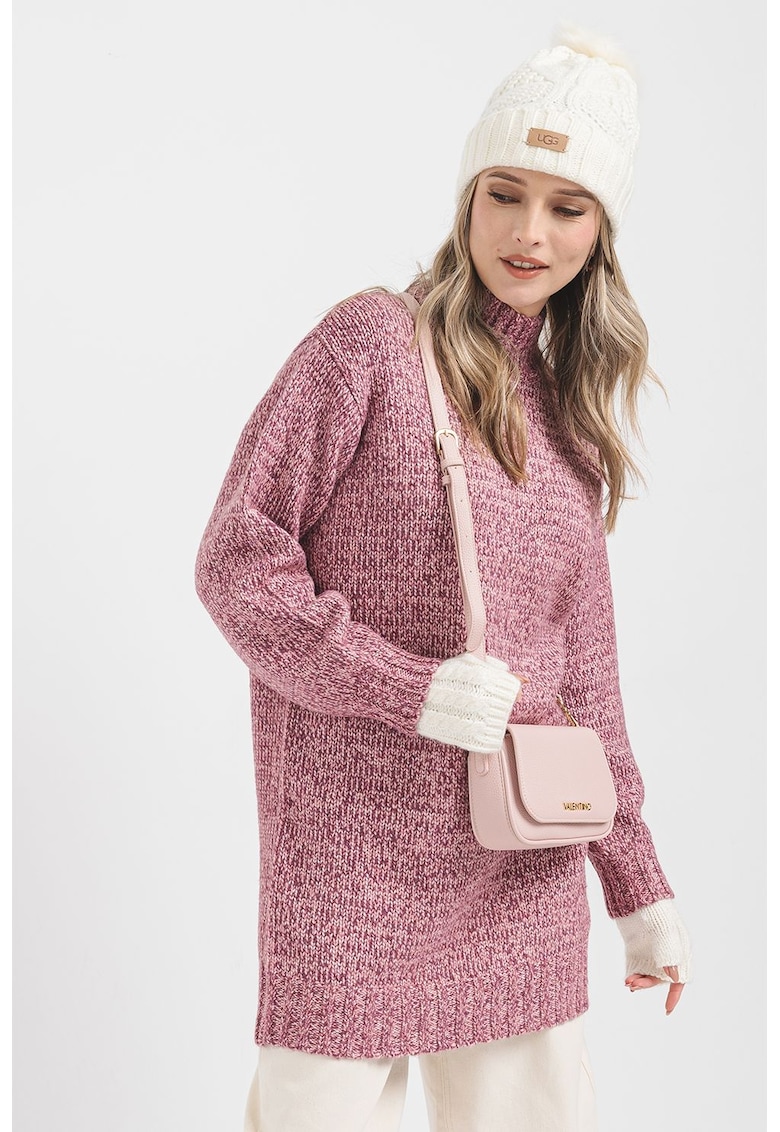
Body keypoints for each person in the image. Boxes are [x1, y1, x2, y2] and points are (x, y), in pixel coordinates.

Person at [195, 25, 692, 1132]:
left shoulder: (567, 422)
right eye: (504, 193)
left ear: (601, 234)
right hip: (353, 867)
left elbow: (586, 683)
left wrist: (640, 886)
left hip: (522, 866)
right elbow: (236, 560)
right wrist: (407, 687)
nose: (528, 231)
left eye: (567, 206)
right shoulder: (368, 346)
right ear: (468, 197)